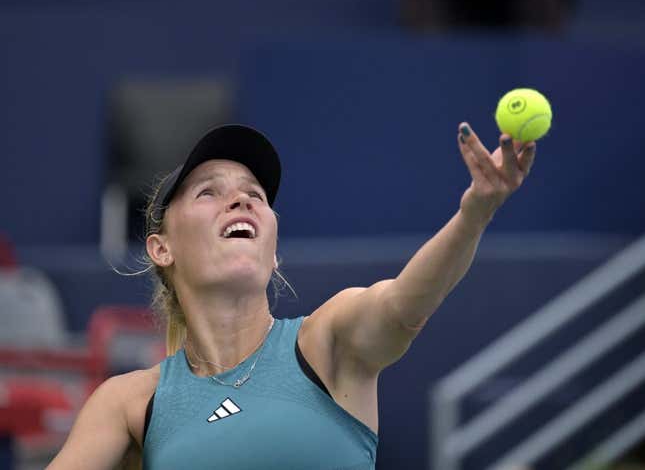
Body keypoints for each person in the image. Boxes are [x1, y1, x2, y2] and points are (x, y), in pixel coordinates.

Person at [47, 122, 536, 469]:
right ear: (162, 248)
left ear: (273, 253)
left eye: (255, 194)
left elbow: (405, 302)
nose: (241, 199)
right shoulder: (131, 402)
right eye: (208, 192)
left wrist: (475, 214)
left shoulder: (328, 343)